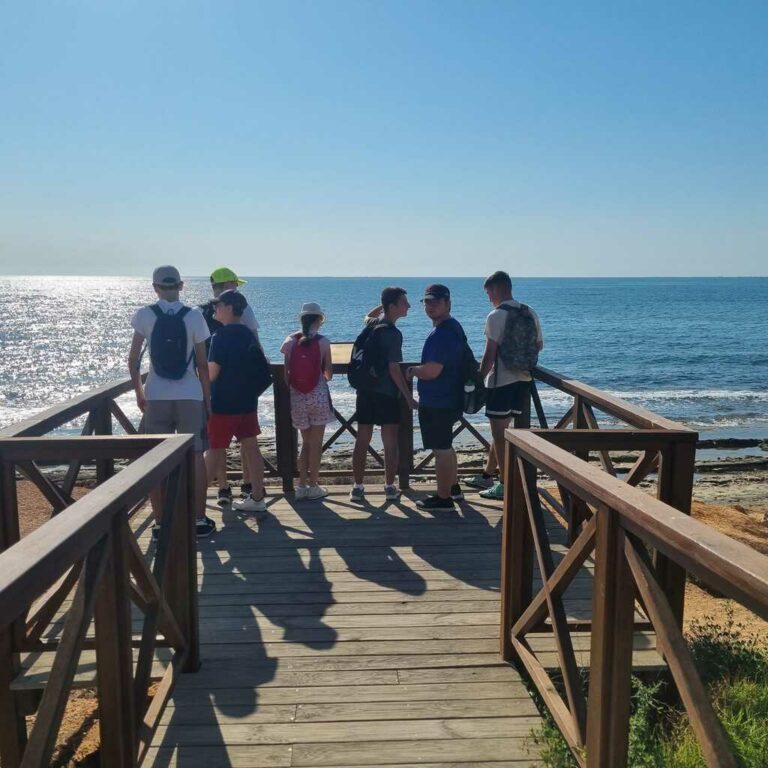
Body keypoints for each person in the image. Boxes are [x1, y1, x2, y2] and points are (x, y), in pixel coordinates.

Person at [127, 265, 215, 538]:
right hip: (190, 394)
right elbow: (202, 363)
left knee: (155, 458)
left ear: (155, 287)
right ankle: (199, 520)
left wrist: (140, 394)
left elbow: (132, 361)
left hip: (156, 395)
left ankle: (161, 522)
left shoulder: (144, 315)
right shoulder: (195, 316)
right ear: (181, 286)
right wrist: (207, 402)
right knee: (196, 455)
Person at [465, 270, 543, 500]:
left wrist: (478, 379)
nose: (488, 297)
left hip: (501, 382)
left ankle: (504, 484)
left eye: (489, 292)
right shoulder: (529, 312)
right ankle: (488, 475)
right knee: (502, 430)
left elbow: (489, 356)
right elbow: (539, 345)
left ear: (497, 289)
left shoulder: (496, 316)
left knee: (499, 434)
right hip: (524, 381)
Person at [199, 266, 263, 503]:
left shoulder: (219, 337)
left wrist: (200, 387)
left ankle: (199, 504)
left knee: (215, 448)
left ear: (227, 307)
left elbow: (212, 372)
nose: (215, 307)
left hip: (223, 400)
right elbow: (259, 359)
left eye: (219, 305)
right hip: (247, 398)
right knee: (252, 447)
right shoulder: (246, 333)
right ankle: (257, 497)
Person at [350, 287, 417, 502]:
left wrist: (383, 303)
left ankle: (358, 487)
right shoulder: (392, 333)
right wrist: (408, 396)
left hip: (365, 390)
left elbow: (368, 315)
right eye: (404, 302)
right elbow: (394, 369)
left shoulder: (373, 324)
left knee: (362, 439)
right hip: (386, 393)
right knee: (390, 442)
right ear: (393, 306)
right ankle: (389, 487)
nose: (408, 306)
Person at [406, 284, 465, 512]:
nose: (430, 306)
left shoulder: (441, 334)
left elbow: (432, 371)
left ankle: (443, 499)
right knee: (447, 446)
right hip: (451, 397)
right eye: (427, 302)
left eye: (436, 302)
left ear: (448, 303)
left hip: (439, 400)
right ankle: (453, 488)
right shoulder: (454, 327)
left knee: (440, 450)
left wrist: (413, 371)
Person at [280, 302, 334, 500]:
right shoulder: (324, 342)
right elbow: (328, 374)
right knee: (316, 443)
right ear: (319, 319)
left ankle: (300, 485)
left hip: (298, 397)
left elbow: (286, 374)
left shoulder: (289, 341)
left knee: (306, 442)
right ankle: (313, 486)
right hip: (318, 395)